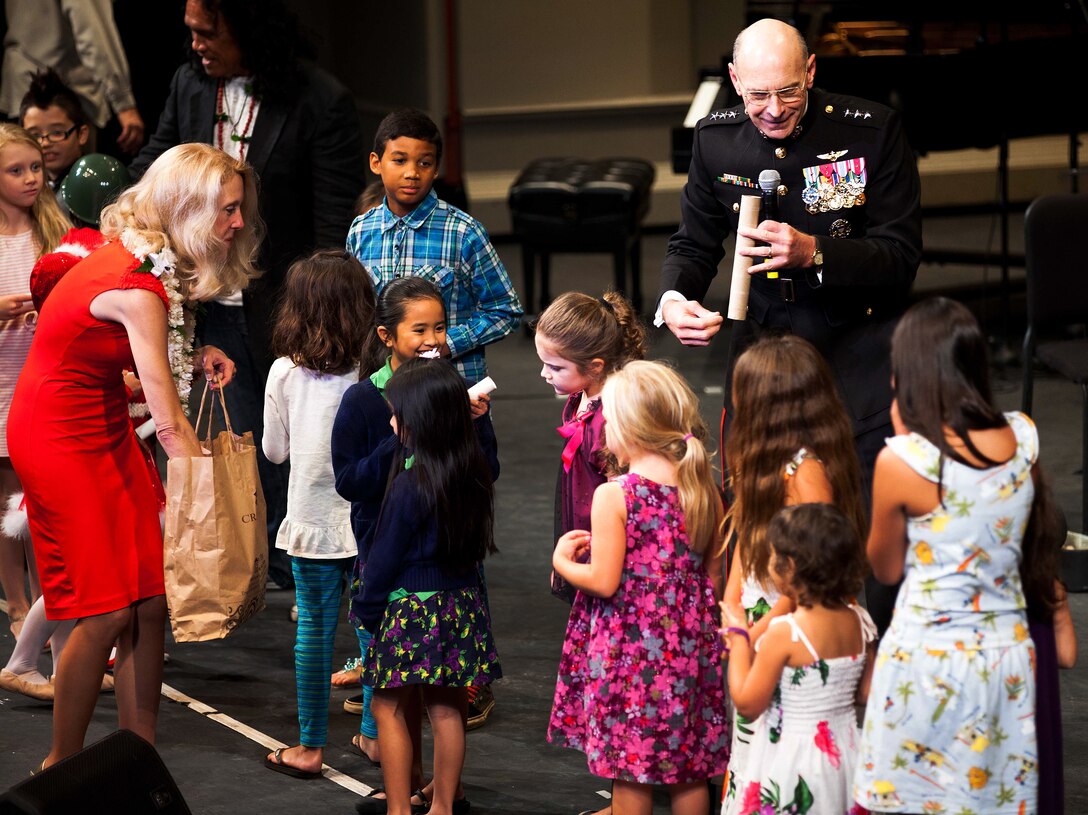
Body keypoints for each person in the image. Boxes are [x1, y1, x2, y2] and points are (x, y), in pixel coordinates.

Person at [657, 18, 921, 631]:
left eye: (787, 92)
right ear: (734, 81)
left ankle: (870, 649)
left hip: (854, 350)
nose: (773, 110)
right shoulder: (716, 140)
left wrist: (816, 252)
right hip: (764, 360)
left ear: (811, 73)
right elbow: (694, 243)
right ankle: (770, 646)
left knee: (859, 519)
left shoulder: (870, 131)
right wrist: (673, 299)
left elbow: (901, 256)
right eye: (757, 95)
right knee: (758, 512)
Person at [6, 142, 254, 766]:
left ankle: (137, 757)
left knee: (148, 596)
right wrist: (212, 505)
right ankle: (61, 765)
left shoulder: (146, 264)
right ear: (188, 210)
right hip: (58, 436)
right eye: (227, 210)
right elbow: (167, 422)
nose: (238, 223)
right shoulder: (138, 284)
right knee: (107, 608)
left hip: (100, 422)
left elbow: (131, 356)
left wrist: (194, 354)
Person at [132, 0, 366, 589]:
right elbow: (152, 171)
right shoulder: (189, 84)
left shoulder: (320, 99)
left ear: (248, 27)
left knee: (298, 440)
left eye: (208, 32)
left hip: (285, 304)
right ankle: (251, 562)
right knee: (236, 440)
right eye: (190, 32)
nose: (196, 45)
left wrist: (320, 316)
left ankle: (309, 564)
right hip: (204, 299)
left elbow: (331, 220)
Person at [854, 298, 1047, 814]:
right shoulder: (1024, 439)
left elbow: (884, 569)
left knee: (914, 799)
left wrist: (902, 435)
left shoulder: (904, 460)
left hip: (927, 658)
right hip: (1005, 657)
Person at [334, 277, 493, 813]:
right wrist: (399, 442)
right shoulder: (366, 401)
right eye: (419, 328)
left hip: (402, 594)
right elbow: (350, 479)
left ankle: (403, 804)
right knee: (444, 706)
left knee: (390, 706)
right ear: (386, 335)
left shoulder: (414, 476)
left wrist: (367, 603)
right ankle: (440, 801)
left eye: (440, 327)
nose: (433, 338)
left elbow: (388, 550)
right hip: (455, 591)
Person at [549, 360, 728, 815]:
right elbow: (714, 579)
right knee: (690, 768)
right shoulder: (703, 488)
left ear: (628, 428)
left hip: (630, 653)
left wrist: (563, 563)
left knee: (630, 769)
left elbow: (604, 581)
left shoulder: (616, 494)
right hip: (690, 648)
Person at [0, 158, 133, 702]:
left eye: (37, 168)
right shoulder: (75, 261)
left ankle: (61, 661)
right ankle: (26, 658)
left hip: (85, 418)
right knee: (74, 565)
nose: (30, 178)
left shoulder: (81, 252)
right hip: (61, 422)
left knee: (81, 566)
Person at [720, 334, 866, 811]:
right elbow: (746, 536)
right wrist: (732, 603)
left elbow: (815, 562)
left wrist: (763, 626)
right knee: (751, 752)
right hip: (759, 614)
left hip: (792, 618)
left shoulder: (806, 473)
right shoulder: (761, 458)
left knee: (781, 754)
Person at [259, 250, 376, 779]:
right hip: (370, 522)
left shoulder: (284, 371)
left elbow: (274, 452)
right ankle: (375, 735)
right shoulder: (375, 370)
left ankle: (309, 746)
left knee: (313, 631)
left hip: (312, 522)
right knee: (374, 629)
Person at [347, 108, 522, 388]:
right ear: (376, 163)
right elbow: (354, 309)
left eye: (424, 163)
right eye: (400, 160)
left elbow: (505, 310)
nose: (412, 173)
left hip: (450, 386)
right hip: (383, 386)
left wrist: (446, 343)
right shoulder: (360, 230)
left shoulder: (464, 232)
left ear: (436, 169)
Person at [722, 503, 876, 815]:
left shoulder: (786, 632)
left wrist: (739, 640)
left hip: (794, 758)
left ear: (789, 566)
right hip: (843, 754)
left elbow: (748, 705)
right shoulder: (860, 621)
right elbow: (865, 693)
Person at [0, 124, 69, 643]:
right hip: (3, 385)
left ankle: (51, 605)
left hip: (44, 384)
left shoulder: (54, 230)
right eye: (15, 170)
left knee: (43, 504)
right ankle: (19, 605)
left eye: (36, 168)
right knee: (8, 506)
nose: (30, 178)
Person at [533, 290, 647, 604]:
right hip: (583, 518)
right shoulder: (581, 396)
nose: (544, 374)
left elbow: (624, 500)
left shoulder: (612, 421)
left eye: (555, 367)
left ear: (595, 367)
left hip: (606, 538)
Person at [0, 1, 145, 154]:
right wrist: (123, 101)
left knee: (25, 166)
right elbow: (92, 33)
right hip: (67, 96)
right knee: (74, 169)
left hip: (19, 88)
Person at [18, 70, 91, 201]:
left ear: (81, 134)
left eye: (57, 133)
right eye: (34, 135)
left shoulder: (91, 184)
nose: (45, 143)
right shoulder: (25, 187)